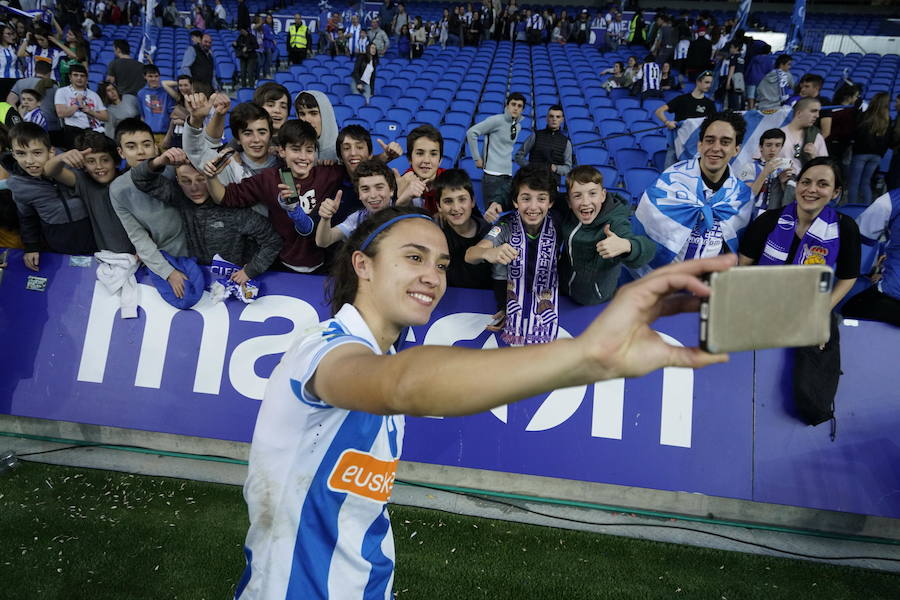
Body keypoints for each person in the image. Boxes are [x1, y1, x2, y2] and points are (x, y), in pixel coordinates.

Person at [205, 119, 343, 273]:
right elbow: (225, 197)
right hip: (281, 266)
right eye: (296, 149)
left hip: (323, 265)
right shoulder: (269, 179)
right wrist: (211, 177)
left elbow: (359, 173)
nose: (303, 157)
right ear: (282, 151)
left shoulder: (328, 174)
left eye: (309, 150)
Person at [132, 147, 283, 283]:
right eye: (186, 181)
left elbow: (273, 241)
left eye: (201, 179)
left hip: (235, 283)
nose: (194, 188)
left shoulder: (232, 206)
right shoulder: (180, 197)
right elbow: (140, 178)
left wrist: (250, 270)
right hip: (200, 279)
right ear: (177, 180)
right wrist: (159, 161)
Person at [633, 111, 753, 272]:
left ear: (736, 149)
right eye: (710, 140)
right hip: (664, 279)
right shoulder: (672, 180)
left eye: (725, 142)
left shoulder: (741, 196)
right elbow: (645, 229)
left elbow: (734, 243)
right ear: (700, 145)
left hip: (707, 283)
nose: (716, 148)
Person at [465, 165, 559, 343]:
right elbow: (470, 254)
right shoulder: (505, 227)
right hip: (509, 299)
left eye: (541, 199)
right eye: (525, 198)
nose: (533, 207)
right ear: (515, 202)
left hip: (546, 300)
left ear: (551, 202)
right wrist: (489, 252)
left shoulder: (558, 225)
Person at [110, 118, 190, 297]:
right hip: (169, 261)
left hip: (202, 253)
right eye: (131, 147)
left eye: (146, 144)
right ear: (121, 152)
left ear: (155, 147)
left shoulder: (173, 169)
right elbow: (139, 238)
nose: (140, 152)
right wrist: (168, 272)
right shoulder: (118, 189)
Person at [3, 122, 95, 271]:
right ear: (13, 154)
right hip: (58, 246)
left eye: (37, 152)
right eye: (21, 153)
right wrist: (31, 247)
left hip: (94, 239)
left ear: (51, 151)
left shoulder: (69, 164)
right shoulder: (18, 184)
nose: (29, 161)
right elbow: (27, 217)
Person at [559, 165, 655, 305]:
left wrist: (627, 245)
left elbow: (649, 248)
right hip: (563, 291)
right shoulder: (567, 211)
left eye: (592, 193)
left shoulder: (614, 222)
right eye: (578, 195)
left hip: (595, 300)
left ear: (603, 195)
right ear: (568, 201)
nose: (586, 202)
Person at [43, 130, 133, 254]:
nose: (99, 166)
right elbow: (50, 171)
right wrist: (61, 158)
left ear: (115, 161)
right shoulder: (85, 183)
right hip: (110, 258)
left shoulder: (128, 179)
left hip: (143, 253)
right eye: (91, 161)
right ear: (83, 165)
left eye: (105, 160)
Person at [183, 95, 278, 188]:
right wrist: (195, 120)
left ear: (270, 135)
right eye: (247, 133)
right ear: (238, 139)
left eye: (262, 132)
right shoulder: (227, 165)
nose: (256, 140)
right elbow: (196, 152)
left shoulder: (284, 164)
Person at [842, 188, 900, 326]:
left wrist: (874, 269)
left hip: (891, 297)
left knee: (847, 310)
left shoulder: (892, 200)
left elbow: (859, 235)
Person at [466, 92, 525, 223]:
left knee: (507, 216)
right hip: (492, 176)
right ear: (507, 105)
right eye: (513, 104)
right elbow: (471, 132)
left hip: (508, 175)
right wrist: (477, 158)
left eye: (519, 106)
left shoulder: (518, 126)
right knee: (492, 217)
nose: (516, 108)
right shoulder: (496, 120)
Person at [432, 168, 492, 289]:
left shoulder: (490, 233)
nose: (456, 207)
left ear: (473, 201)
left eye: (462, 199)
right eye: (448, 201)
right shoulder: (435, 235)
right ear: (439, 206)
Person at [316, 158, 396, 248]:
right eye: (365, 189)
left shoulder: (405, 209)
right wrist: (325, 218)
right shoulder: (357, 219)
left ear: (391, 190)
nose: (373, 195)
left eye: (379, 187)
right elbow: (324, 241)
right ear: (359, 194)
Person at [654, 70, 716, 167]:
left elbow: (714, 125)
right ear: (698, 82)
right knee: (668, 173)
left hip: (696, 148)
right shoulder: (682, 99)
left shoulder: (709, 104)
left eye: (710, 83)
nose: (709, 85)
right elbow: (659, 111)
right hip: (676, 143)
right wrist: (667, 122)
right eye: (706, 82)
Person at [847, 93, 897, 205]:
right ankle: (866, 208)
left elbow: (855, 131)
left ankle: (851, 209)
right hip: (877, 156)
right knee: (866, 182)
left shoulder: (865, 116)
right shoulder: (888, 120)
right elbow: (889, 140)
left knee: (854, 183)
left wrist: (856, 106)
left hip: (860, 154)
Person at [735, 128, 793, 216]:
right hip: (750, 216)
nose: (773, 149)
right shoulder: (750, 167)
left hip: (773, 217)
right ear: (761, 147)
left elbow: (790, 201)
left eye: (777, 145)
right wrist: (764, 173)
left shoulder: (785, 168)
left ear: (781, 147)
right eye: (769, 145)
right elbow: (745, 196)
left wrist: (783, 184)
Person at [514, 105, 572, 191]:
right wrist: (531, 167)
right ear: (546, 118)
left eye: (558, 117)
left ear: (562, 120)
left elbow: (568, 168)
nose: (554, 119)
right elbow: (518, 156)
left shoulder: (566, 142)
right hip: (532, 181)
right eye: (551, 116)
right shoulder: (535, 135)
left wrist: (556, 168)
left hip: (552, 184)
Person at [7, 61, 61, 147]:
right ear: (50, 72)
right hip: (51, 128)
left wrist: (19, 117)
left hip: (27, 127)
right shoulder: (54, 87)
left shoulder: (21, 82)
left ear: (35, 70)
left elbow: (10, 100)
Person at [54, 63, 107, 148]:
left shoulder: (93, 95)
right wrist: (78, 103)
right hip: (72, 131)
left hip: (91, 132)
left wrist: (90, 112)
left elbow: (105, 117)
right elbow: (61, 113)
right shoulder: (62, 91)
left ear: (86, 78)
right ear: (70, 77)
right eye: (75, 75)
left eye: (82, 76)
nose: (79, 78)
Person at [395, 124, 445, 214]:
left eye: (433, 154)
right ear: (410, 159)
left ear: (440, 160)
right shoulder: (401, 184)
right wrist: (401, 200)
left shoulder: (452, 182)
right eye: (420, 153)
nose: (426, 160)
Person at [779, 97, 828, 174]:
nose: (817, 115)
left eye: (818, 112)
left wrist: (813, 157)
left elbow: (825, 168)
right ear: (799, 113)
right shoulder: (778, 135)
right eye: (813, 111)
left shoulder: (816, 136)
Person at [293, 90, 339, 162]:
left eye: (313, 113)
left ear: (326, 115)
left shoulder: (343, 150)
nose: (307, 120)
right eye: (302, 114)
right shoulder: (292, 148)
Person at [136, 64, 175, 143]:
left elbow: (172, 115)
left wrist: (169, 135)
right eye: (150, 76)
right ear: (145, 77)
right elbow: (142, 116)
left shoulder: (166, 92)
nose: (154, 79)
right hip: (148, 134)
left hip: (165, 134)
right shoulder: (141, 93)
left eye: (156, 76)